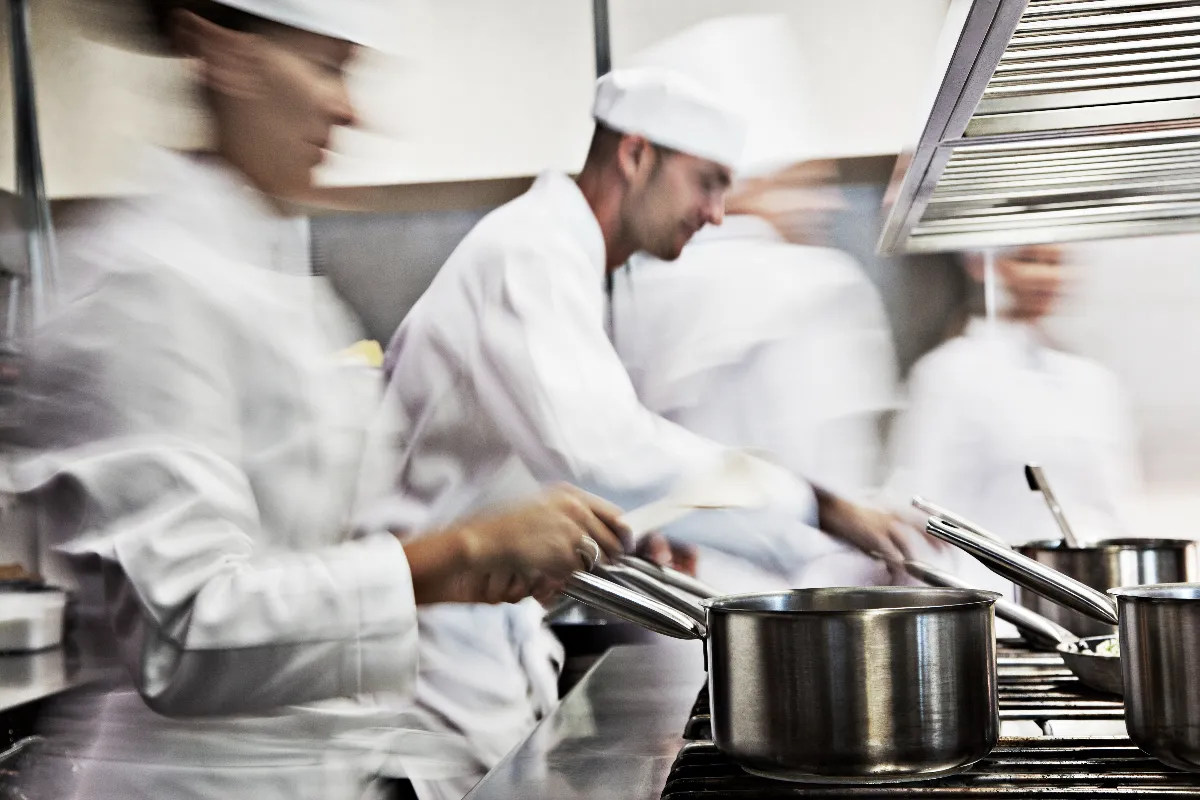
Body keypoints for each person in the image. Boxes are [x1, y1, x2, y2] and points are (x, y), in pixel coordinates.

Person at [3, 3, 628, 799]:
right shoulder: (137, 283)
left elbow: (322, 559)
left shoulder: (278, 285)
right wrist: (461, 554)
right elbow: (186, 636)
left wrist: (489, 563)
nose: (349, 109)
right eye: (327, 65)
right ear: (218, 50)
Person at [371, 67, 924, 799]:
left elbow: (557, 456)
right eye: (707, 182)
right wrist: (820, 507)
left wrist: (637, 529)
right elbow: (606, 450)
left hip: (480, 654)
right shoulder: (526, 253)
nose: (720, 213)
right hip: (430, 669)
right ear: (634, 156)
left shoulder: (558, 260)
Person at [612, 159, 904, 591]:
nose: (827, 203)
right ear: (749, 186)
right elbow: (830, 469)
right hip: (786, 582)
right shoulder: (813, 284)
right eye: (803, 184)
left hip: (692, 583)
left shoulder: (655, 286)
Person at [888, 244, 1143, 605]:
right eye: (1027, 260)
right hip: (994, 609)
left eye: (1055, 262)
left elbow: (1116, 508)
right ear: (981, 265)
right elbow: (922, 510)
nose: (1045, 276)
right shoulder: (949, 374)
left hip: (1093, 603)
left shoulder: (1092, 381)